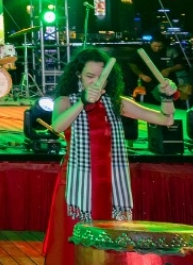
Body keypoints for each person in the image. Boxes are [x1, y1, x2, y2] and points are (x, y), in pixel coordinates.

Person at [43, 47, 177, 265]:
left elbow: (166, 119)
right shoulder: (66, 101)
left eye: (101, 77)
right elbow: (57, 126)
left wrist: (166, 96)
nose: (96, 82)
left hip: (111, 183)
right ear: (78, 75)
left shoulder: (116, 102)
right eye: (90, 76)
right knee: (72, 240)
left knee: (108, 241)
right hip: (76, 182)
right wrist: (83, 101)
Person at [128, 35, 185, 105]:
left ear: (164, 44)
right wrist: (141, 75)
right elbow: (132, 63)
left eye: (160, 46)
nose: (157, 48)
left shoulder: (170, 51)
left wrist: (169, 69)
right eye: (155, 46)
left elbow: (181, 65)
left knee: (169, 103)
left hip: (167, 83)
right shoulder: (143, 51)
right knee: (150, 103)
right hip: (149, 81)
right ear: (150, 43)